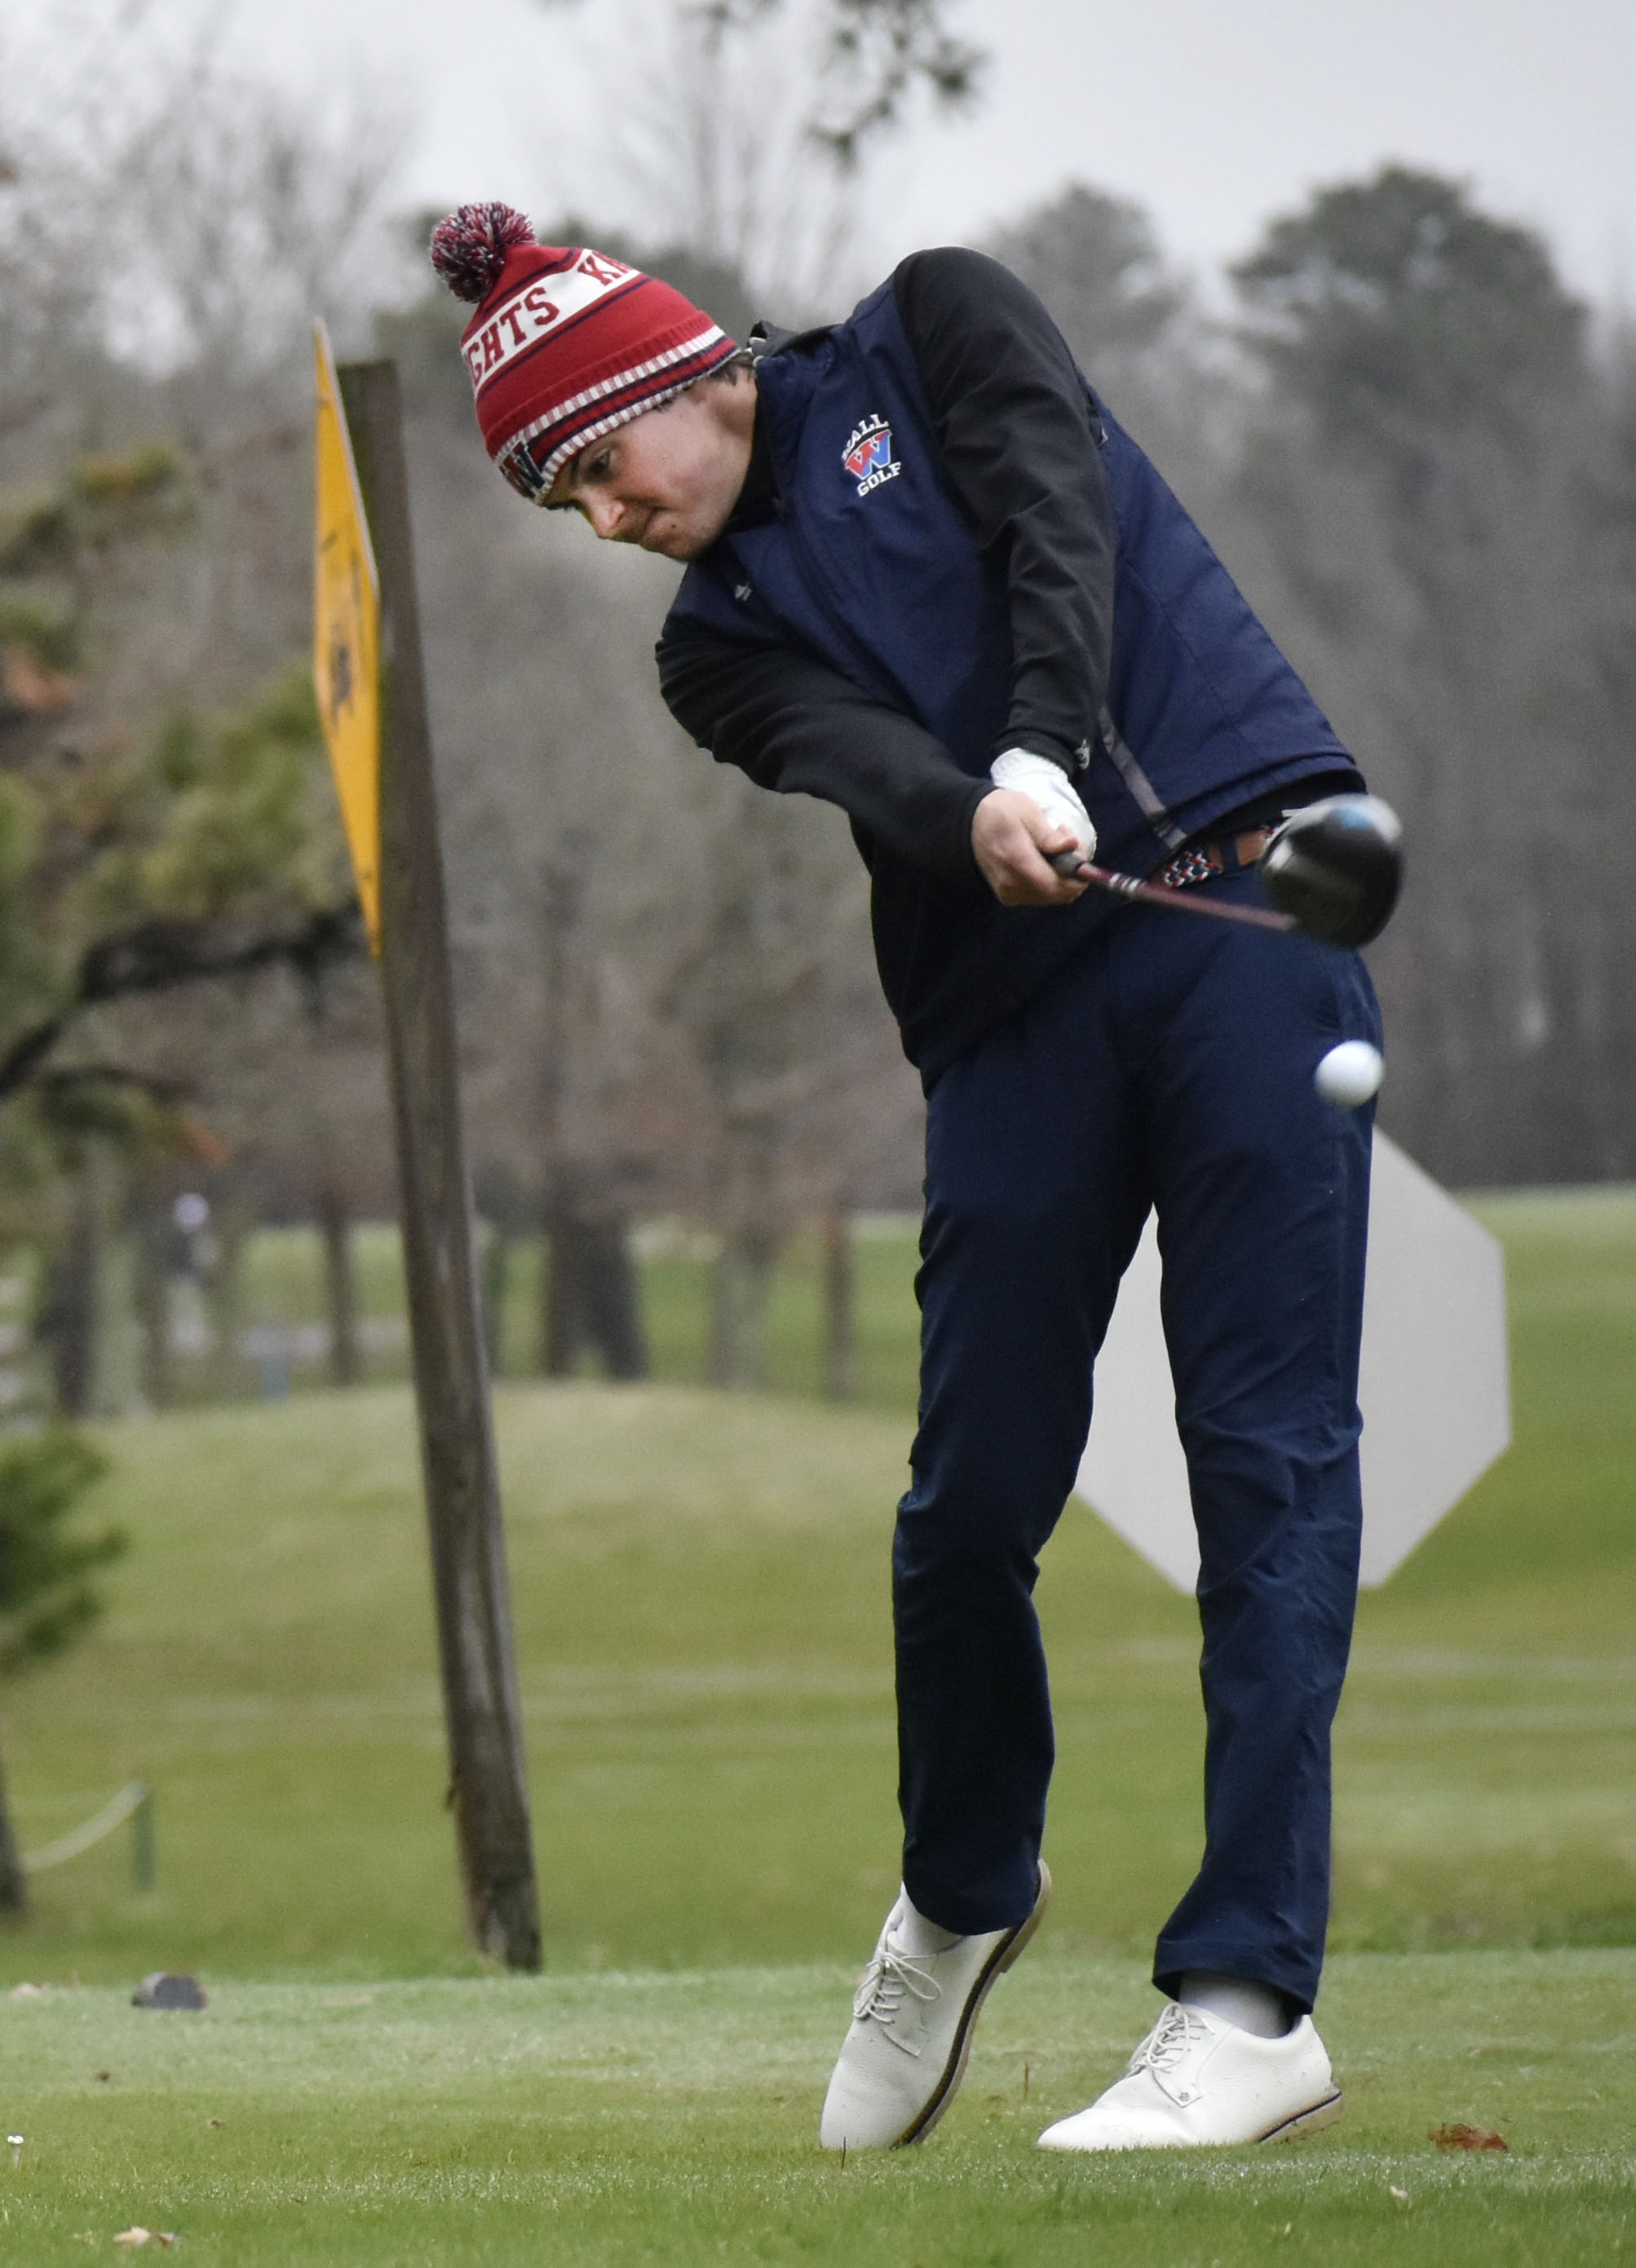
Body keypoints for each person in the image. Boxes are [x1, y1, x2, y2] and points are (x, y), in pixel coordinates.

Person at [429, 203, 1382, 2155]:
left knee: (1263, 1461)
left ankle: (1242, 1999)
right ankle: (960, 1890)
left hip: (1236, 919)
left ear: (678, 380)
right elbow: (861, 760)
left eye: (600, 466)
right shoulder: (713, 652)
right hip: (1015, 1017)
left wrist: (1041, 738)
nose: (604, 516)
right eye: (565, 505)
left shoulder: (933, 325)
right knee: (964, 1509)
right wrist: (975, 807)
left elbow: (1060, 513)